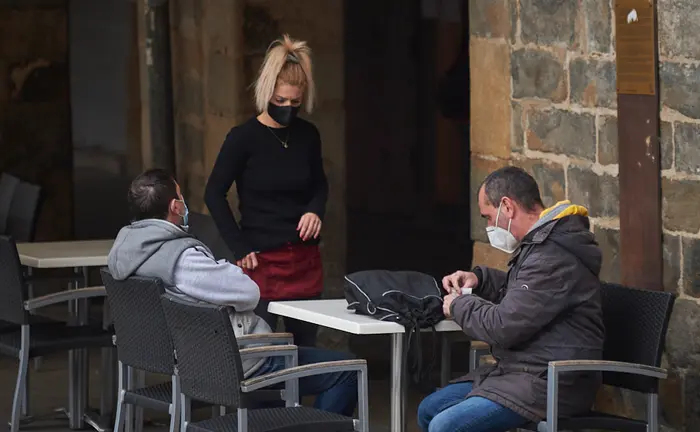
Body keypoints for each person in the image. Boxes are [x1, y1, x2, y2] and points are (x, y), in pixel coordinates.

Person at [107, 169, 357, 416]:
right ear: (175, 206)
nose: (185, 205)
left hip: (188, 359)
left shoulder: (121, 254)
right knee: (347, 371)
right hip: (233, 362)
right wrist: (223, 266)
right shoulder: (182, 260)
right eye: (181, 197)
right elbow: (249, 292)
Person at [418, 166, 605, 432]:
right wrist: (480, 280)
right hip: (522, 374)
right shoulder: (543, 244)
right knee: (429, 409)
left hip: (551, 384)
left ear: (507, 206)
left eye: (488, 216)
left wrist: (459, 305)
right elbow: (527, 294)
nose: (488, 227)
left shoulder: (552, 255)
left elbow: (504, 326)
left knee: (445, 425)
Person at [204, 34, 327, 347]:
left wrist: (315, 208)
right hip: (260, 261)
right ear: (267, 93)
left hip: (304, 259)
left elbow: (319, 183)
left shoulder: (308, 135)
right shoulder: (243, 138)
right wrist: (239, 247)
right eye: (281, 101)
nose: (288, 108)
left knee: (306, 347)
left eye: (295, 103)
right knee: (260, 349)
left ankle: (300, 398)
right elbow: (214, 193)